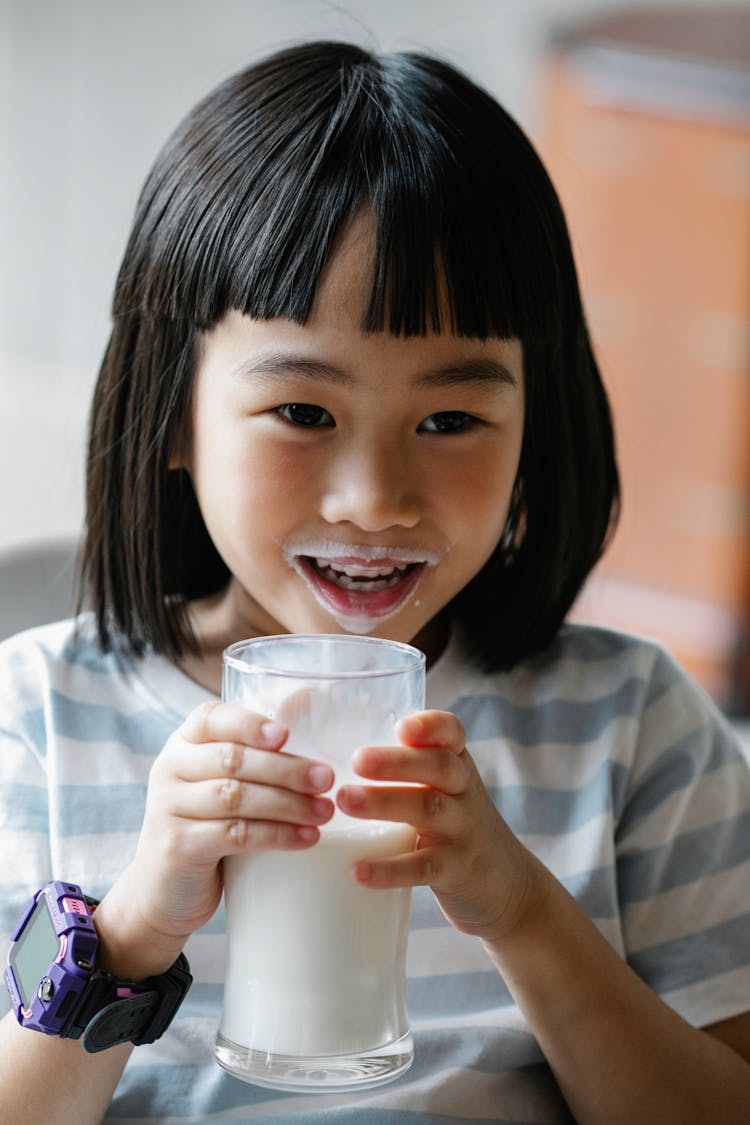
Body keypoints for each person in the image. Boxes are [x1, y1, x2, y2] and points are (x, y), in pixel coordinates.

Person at [1, 39, 749, 1125]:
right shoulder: (40, 718)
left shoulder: (630, 725)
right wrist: (134, 930)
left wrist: (523, 912)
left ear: (537, 432)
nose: (376, 499)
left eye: (451, 420)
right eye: (304, 413)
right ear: (172, 418)